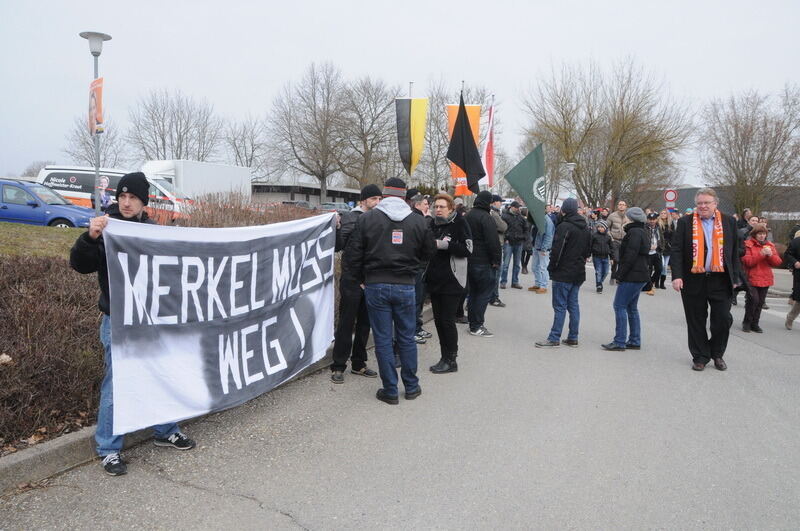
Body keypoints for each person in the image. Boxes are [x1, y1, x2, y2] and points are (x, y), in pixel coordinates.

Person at [69, 172, 196, 476]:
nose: (126, 203)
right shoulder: (108, 228)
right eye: (122, 197)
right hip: (118, 320)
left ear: (143, 201)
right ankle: (109, 448)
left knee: (160, 373)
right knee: (118, 384)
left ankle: (165, 430)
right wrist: (90, 238)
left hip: (151, 320)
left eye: (133, 198)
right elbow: (80, 265)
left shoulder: (152, 231)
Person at [344, 177, 435, 404]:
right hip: (406, 285)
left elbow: (353, 255)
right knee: (406, 337)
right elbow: (430, 251)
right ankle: (412, 387)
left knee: (383, 339)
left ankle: (390, 390)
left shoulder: (368, 219)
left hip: (376, 285)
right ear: (405, 197)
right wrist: (413, 269)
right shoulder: (418, 221)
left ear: (384, 195)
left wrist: (360, 279)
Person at [670, 187, 741, 371]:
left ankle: (717, 353)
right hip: (693, 279)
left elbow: (734, 252)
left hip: (721, 279)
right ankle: (700, 356)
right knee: (695, 320)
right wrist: (677, 276)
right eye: (699, 203)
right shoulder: (686, 222)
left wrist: (736, 276)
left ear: (715, 204)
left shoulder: (728, 222)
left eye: (706, 203)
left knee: (723, 319)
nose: (703, 206)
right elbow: (676, 250)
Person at [330, 184, 382, 384]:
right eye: (373, 199)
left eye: (379, 199)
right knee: (346, 323)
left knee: (364, 324)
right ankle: (338, 365)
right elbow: (342, 248)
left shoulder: (379, 219)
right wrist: (336, 228)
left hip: (371, 281)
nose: (377, 203)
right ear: (363, 201)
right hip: (352, 281)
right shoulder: (352, 218)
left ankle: (359, 363)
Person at [424, 193, 472, 373]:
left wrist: (444, 245)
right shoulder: (432, 224)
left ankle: (451, 360)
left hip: (453, 282)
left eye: (441, 207)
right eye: (435, 206)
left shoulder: (460, 223)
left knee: (447, 321)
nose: (438, 210)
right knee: (438, 322)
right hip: (435, 280)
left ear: (451, 208)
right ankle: (444, 357)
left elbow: (468, 249)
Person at [535, 198, 591, 348]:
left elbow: (557, 251)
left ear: (564, 210)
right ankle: (573, 337)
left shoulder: (564, 226)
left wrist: (552, 268)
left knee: (560, 306)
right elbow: (587, 251)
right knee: (573, 304)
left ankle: (554, 337)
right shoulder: (585, 227)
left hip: (564, 272)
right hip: (578, 272)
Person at [602, 207, 650, 351]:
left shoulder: (634, 232)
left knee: (620, 306)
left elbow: (630, 256)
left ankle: (619, 341)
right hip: (640, 274)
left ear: (631, 218)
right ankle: (634, 340)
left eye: (627, 216)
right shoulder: (642, 231)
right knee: (631, 308)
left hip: (632, 275)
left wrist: (619, 274)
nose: (625, 218)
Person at [465, 190, 503, 337]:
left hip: (469, 260)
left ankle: (472, 323)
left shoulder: (468, 215)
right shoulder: (486, 218)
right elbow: (493, 242)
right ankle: (477, 325)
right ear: (488, 202)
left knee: (474, 293)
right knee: (483, 294)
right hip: (483, 262)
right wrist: (496, 261)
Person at [741, 224, 783, 333]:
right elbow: (748, 262)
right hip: (752, 277)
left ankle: (755, 323)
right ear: (754, 234)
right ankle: (747, 322)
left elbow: (778, 262)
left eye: (764, 234)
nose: (762, 236)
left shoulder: (770, 245)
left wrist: (770, 255)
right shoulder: (748, 245)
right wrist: (761, 254)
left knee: (760, 302)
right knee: (753, 300)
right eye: (759, 234)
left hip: (765, 277)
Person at [406, 188, 432, 343]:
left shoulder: (420, 218)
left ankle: (417, 327)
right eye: (425, 203)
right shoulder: (417, 220)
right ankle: (413, 330)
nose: (427, 206)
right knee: (415, 301)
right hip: (417, 266)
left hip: (420, 265)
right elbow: (427, 246)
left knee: (418, 299)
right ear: (416, 204)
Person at [499, 201, 526, 289]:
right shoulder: (504, 216)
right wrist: (505, 239)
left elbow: (526, 229)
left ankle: (515, 282)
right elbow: (502, 229)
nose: (518, 209)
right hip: (509, 243)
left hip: (519, 243)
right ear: (512, 207)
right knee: (506, 264)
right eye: (517, 207)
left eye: (519, 207)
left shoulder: (521, 217)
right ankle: (503, 282)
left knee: (517, 265)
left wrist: (523, 238)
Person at [488, 194, 508, 307]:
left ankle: (491, 296)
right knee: (496, 272)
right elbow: (504, 227)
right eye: (500, 202)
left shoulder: (494, 213)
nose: (501, 204)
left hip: (494, 244)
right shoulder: (493, 214)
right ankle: (494, 297)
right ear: (494, 202)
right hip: (496, 245)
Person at [529, 212, 555, 293]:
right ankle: (538, 284)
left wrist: (544, 248)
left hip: (543, 248)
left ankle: (544, 286)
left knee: (543, 268)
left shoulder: (547, 221)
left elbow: (549, 236)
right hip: (536, 246)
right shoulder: (538, 220)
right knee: (534, 267)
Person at [606, 200, 629, 285]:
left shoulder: (628, 217)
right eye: (620, 204)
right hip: (614, 240)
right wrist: (611, 238)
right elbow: (606, 227)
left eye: (623, 205)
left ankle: (619, 277)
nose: (621, 206)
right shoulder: (612, 216)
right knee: (616, 259)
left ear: (626, 206)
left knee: (623, 260)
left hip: (624, 241)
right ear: (617, 206)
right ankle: (613, 275)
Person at [642, 212, 664, 295]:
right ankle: (649, 287)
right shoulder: (644, 228)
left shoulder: (658, 228)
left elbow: (661, 239)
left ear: (656, 219)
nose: (652, 221)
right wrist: (648, 247)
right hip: (647, 253)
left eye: (653, 219)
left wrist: (660, 247)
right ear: (647, 220)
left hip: (656, 252)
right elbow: (642, 240)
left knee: (659, 269)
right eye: (650, 219)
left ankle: (650, 283)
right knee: (648, 270)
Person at [784, 230, 800, 330]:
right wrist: (795, 262)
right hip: (799, 273)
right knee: (799, 300)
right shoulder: (796, 241)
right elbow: (787, 254)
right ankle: (790, 318)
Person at [591, 221, 612, 293]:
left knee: (606, 272)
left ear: (605, 228)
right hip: (597, 257)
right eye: (598, 227)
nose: (600, 228)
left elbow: (611, 248)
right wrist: (588, 255)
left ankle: (600, 281)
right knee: (598, 272)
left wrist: (612, 258)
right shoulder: (594, 236)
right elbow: (590, 246)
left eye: (602, 227)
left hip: (606, 257)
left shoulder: (608, 237)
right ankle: (599, 285)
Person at [657, 209, 674, 289]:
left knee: (665, 265)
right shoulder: (657, 223)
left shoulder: (671, 223)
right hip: (659, 247)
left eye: (665, 213)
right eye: (662, 213)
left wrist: (670, 243)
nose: (663, 214)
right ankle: (656, 281)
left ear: (667, 214)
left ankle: (662, 283)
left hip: (668, 247)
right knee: (660, 265)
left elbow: (673, 235)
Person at [520, 207, 533, 275]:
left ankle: (524, 266)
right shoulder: (522, 219)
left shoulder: (530, 220)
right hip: (524, 238)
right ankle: (524, 267)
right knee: (523, 253)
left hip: (528, 238)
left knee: (527, 253)